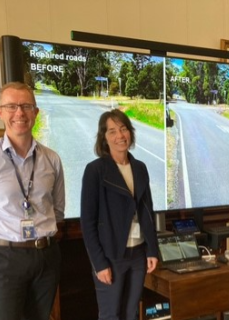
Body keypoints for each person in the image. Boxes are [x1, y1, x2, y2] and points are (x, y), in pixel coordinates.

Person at [0, 82, 66, 320]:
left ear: (36, 112)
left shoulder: (52, 159)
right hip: (2, 260)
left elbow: (57, 210)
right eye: (12, 106)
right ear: (0, 112)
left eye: (27, 106)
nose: (20, 113)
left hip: (45, 258)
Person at [81, 109, 159, 320]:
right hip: (111, 256)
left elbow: (147, 212)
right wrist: (99, 264)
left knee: (131, 313)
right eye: (112, 131)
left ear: (130, 132)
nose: (120, 136)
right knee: (111, 315)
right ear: (104, 138)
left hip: (138, 255)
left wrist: (152, 250)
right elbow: (87, 223)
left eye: (123, 129)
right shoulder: (95, 170)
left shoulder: (140, 168)